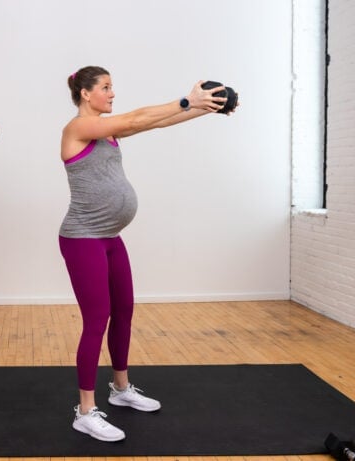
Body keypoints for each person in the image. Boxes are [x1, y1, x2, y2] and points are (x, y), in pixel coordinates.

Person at [59, 66, 236, 441]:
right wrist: (186, 98)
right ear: (86, 94)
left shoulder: (108, 133)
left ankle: (121, 389)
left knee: (123, 311)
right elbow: (138, 116)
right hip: (83, 238)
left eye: (112, 87)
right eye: (106, 88)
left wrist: (206, 108)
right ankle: (85, 411)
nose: (112, 94)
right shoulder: (77, 129)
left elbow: (149, 123)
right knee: (97, 319)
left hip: (110, 237)